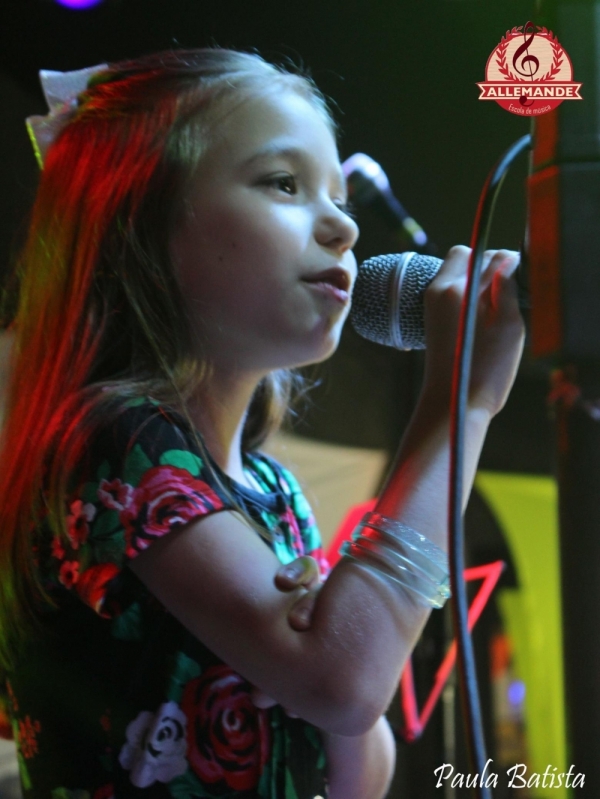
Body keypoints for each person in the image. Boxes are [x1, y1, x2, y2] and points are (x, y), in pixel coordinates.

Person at [0, 48, 524, 799]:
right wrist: (461, 405)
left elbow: (355, 768)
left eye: (340, 196)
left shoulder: (270, 487)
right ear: (141, 223)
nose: (343, 226)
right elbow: (342, 683)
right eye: (285, 183)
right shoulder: (118, 439)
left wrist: (329, 651)